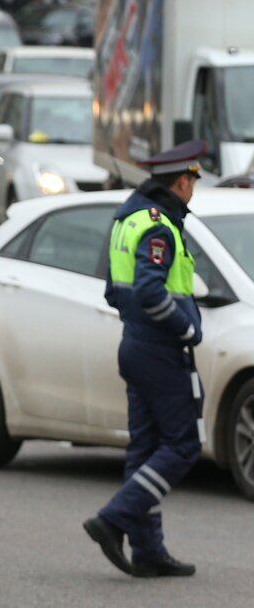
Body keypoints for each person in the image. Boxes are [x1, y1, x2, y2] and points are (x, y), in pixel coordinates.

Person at [83, 140, 207, 579]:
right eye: (193, 179)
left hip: (134, 344)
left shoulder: (128, 219)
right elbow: (152, 291)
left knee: (146, 447)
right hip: (160, 349)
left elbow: (114, 292)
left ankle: (148, 549)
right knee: (182, 445)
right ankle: (115, 517)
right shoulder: (159, 226)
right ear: (180, 181)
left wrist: (141, 325)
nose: (195, 188)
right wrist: (185, 328)